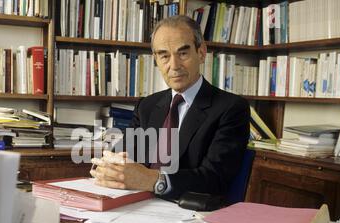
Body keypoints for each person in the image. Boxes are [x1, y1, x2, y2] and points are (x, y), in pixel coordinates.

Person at [90, 15, 250, 200]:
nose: (174, 65)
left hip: (188, 212)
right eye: (164, 55)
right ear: (156, 60)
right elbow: (123, 157)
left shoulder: (231, 108)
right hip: (139, 206)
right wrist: (109, 167)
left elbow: (214, 179)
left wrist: (153, 180)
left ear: (201, 52)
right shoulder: (147, 106)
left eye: (183, 53)